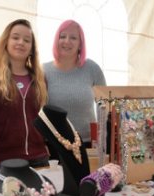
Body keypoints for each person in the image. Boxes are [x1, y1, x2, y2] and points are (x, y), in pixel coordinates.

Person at [0, 19, 48, 168]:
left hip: (38, 157)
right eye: (15, 37)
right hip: (1, 161)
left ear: (32, 48)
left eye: (27, 40)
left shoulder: (40, 78)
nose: (21, 42)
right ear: (6, 41)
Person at [42, 20, 106, 148]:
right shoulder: (43, 71)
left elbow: (104, 107)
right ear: (56, 40)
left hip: (88, 144)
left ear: (80, 44)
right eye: (62, 36)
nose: (67, 41)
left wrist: (102, 139)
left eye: (73, 37)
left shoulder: (92, 68)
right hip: (54, 145)